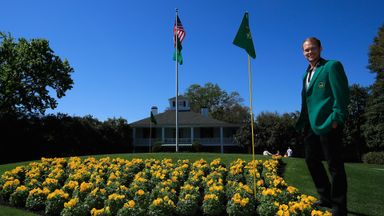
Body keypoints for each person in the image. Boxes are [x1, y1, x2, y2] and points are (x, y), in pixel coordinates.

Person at [296, 37, 349, 216]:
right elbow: (307, 102)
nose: (309, 52)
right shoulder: (305, 74)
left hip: (328, 123)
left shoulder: (332, 66)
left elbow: (341, 95)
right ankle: (325, 197)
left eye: (312, 49)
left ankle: (339, 207)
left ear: (320, 48)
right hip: (310, 125)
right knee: (311, 160)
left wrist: (336, 118)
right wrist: (302, 123)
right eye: (306, 50)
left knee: (335, 166)